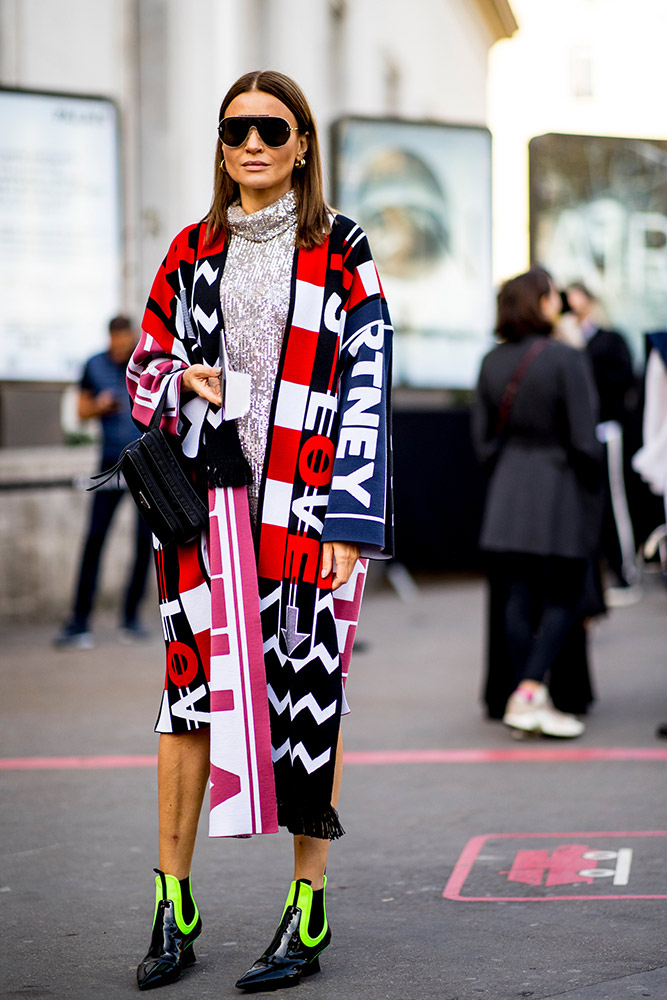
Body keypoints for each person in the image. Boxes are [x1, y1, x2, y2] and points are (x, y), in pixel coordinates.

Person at [126, 70, 393, 992]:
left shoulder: (342, 249)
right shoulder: (191, 250)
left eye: (271, 129)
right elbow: (142, 367)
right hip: (203, 516)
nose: (251, 143)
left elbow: (368, 381)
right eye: (235, 127)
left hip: (307, 512)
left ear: (301, 144)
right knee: (186, 703)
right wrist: (175, 379)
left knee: (309, 699)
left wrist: (352, 518)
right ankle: (173, 903)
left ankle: (305, 908)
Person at [473, 267, 603, 739]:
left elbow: (482, 443)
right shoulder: (565, 359)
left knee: (518, 597)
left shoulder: (490, 362)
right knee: (566, 595)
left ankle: (525, 692)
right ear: (541, 303)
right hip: (559, 490)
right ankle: (529, 694)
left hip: (507, 493)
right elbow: (586, 441)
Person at [54, 316, 152, 648]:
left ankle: (131, 619)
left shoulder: (144, 366)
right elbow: (81, 412)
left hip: (145, 466)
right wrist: (99, 406)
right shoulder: (94, 365)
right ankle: (79, 622)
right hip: (110, 465)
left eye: (126, 340)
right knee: (95, 538)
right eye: (117, 339)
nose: (121, 345)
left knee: (144, 543)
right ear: (110, 337)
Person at [566, 282, 638, 597]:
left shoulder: (609, 341)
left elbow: (622, 383)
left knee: (613, 501)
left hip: (606, 431)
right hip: (575, 437)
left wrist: (581, 352)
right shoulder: (562, 347)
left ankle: (625, 571)